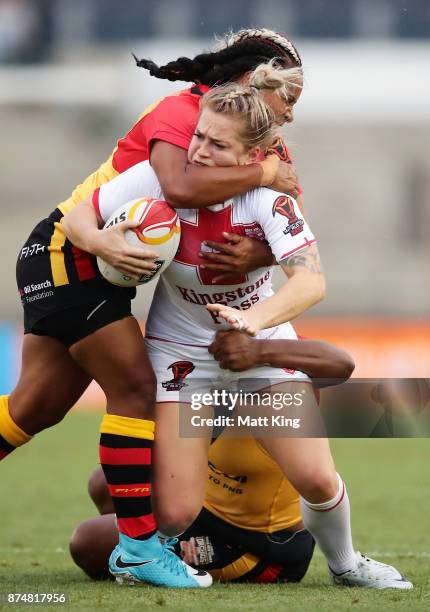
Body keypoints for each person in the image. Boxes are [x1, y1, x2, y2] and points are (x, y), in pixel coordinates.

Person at [63, 83, 412, 590]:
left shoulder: (270, 202)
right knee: (177, 511)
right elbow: (78, 214)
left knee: (315, 479)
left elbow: (311, 282)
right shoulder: (153, 180)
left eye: (218, 145)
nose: (200, 150)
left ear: (253, 156)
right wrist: (102, 244)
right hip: (180, 356)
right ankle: (147, 555)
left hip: (258, 355)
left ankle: (347, 564)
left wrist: (255, 321)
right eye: (200, 136)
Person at [0, 30, 310, 590]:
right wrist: (262, 173)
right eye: (285, 96)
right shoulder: (182, 111)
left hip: (95, 268)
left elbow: (284, 223)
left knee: (32, 408)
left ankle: (141, 543)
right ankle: (141, 550)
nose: (288, 113)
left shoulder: (258, 140)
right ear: (251, 79)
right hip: (70, 251)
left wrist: (262, 247)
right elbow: (178, 183)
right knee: (139, 392)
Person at [70, 334, 355, 583]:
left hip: (257, 545)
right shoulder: (199, 359)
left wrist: (258, 350)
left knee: (87, 542)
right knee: (104, 483)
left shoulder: (274, 373)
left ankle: (151, 551)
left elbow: (340, 362)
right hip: (204, 507)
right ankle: (151, 543)